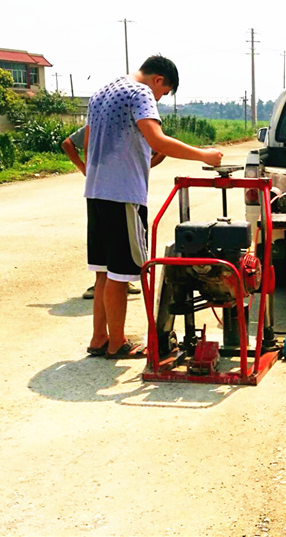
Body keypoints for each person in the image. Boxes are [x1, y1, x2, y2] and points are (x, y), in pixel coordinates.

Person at [84, 54, 222, 359]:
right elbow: (157, 140)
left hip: (96, 191)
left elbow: (90, 142)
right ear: (158, 80)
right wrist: (204, 155)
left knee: (103, 272)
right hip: (123, 195)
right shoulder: (140, 92)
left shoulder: (102, 92)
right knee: (121, 273)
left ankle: (99, 338)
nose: (158, 98)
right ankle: (117, 342)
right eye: (163, 93)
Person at [61, 125, 155, 300]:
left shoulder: (109, 119)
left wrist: (141, 166)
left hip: (101, 189)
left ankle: (111, 283)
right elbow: (67, 143)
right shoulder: (101, 122)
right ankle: (111, 283)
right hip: (116, 191)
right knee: (113, 244)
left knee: (110, 243)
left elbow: (159, 149)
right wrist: (83, 167)